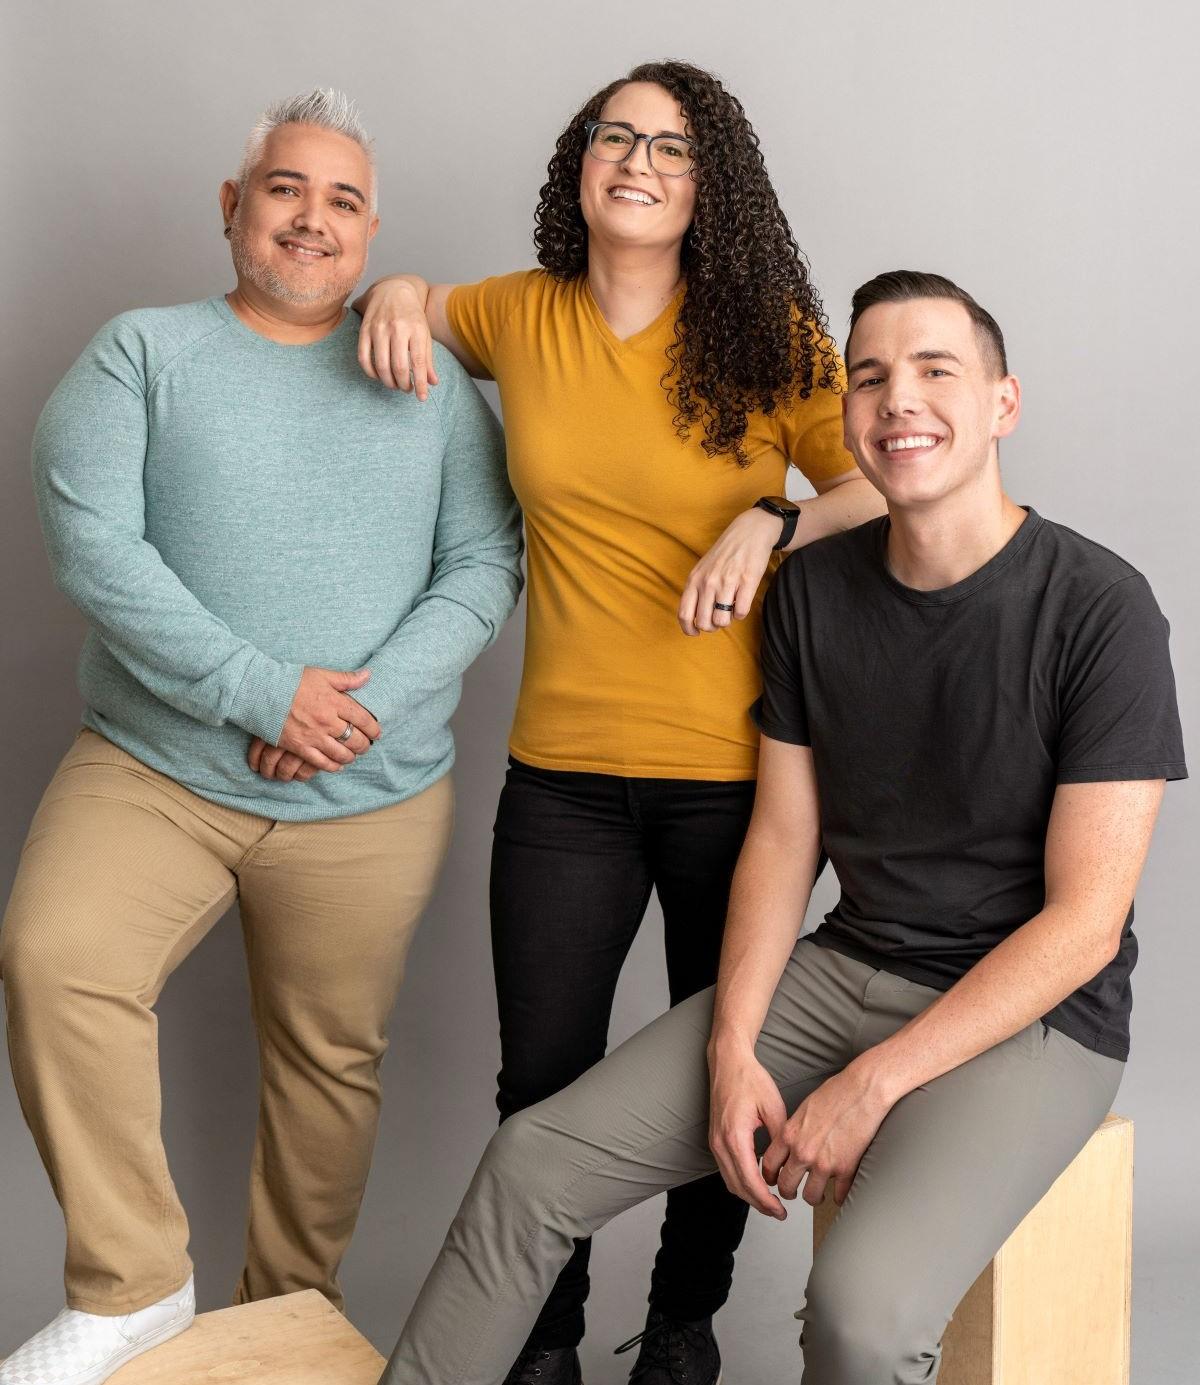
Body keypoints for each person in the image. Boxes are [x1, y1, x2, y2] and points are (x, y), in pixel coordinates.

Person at [374, 270, 1186, 1385]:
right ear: (846, 415)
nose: (899, 399)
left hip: (1033, 1016)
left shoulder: (1102, 607)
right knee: (530, 1162)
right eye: (870, 377)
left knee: (859, 1313)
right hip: (847, 965)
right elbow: (781, 841)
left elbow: (1086, 924)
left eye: (936, 371)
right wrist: (731, 1042)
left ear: (1003, 402)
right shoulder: (812, 593)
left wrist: (877, 1080)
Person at [355, 59, 884, 1385]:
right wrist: (404, 291)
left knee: (722, 1073)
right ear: (578, 164)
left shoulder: (765, 337)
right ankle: (541, 1346)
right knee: (540, 1086)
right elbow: (409, 302)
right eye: (615, 136)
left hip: (739, 786)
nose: (637, 160)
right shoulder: (521, 316)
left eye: (672, 146)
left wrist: (772, 518)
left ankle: (684, 1330)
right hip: (562, 785)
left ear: (714, 189)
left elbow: (884, 480)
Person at [0, 89, 521, 1385]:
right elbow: (94, 547)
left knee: (325, 1067)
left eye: (343, 199)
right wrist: (260, 693)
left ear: (371, 232)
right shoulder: (142, 354)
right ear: (234, 209)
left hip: (370, 790)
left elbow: (485, 559)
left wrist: (354, 710)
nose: (312, 217)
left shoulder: (433, 381)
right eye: (286, 188)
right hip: (154, 770)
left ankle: (284, 1319)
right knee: (55, 956)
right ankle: (133, 1285)